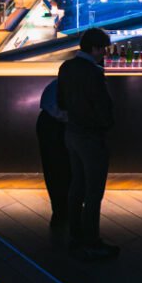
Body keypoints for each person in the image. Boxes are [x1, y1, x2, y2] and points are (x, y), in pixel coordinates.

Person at [57, 27, 118, 260]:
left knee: (77, 187)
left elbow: (61, 100)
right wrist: (106, 125)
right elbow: (102, 106)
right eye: (103, 49)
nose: (104, 53)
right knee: (93, 192)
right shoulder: (93, 72)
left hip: (71, 132)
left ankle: (76, 237)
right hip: (91, 136)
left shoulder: (66, 67)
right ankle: (92, 241)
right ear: (95, 48)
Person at [36, 79, 70, 226]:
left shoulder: (59, 82)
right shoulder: (86, 79)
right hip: (58, 126)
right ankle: (66, 210)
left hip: (50, 124)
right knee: (64, 168)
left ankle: (60, 211)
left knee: (53, 169)